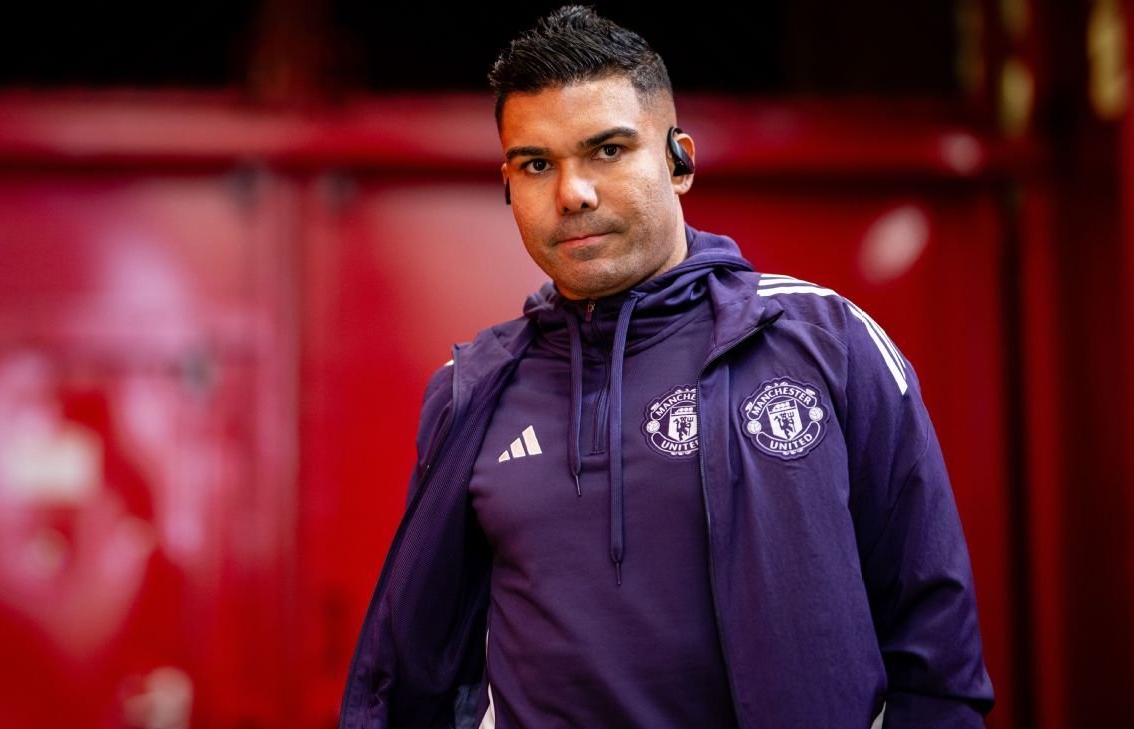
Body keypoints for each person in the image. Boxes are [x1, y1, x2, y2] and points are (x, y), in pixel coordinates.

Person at [338, 5, 995, 728]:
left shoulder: (825, 343)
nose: (572, 193)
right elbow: (416, 675)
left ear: (679, 161)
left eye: (607, 150)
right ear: (507, 184)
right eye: (536, 165)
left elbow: (937, 660)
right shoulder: (473, 392)